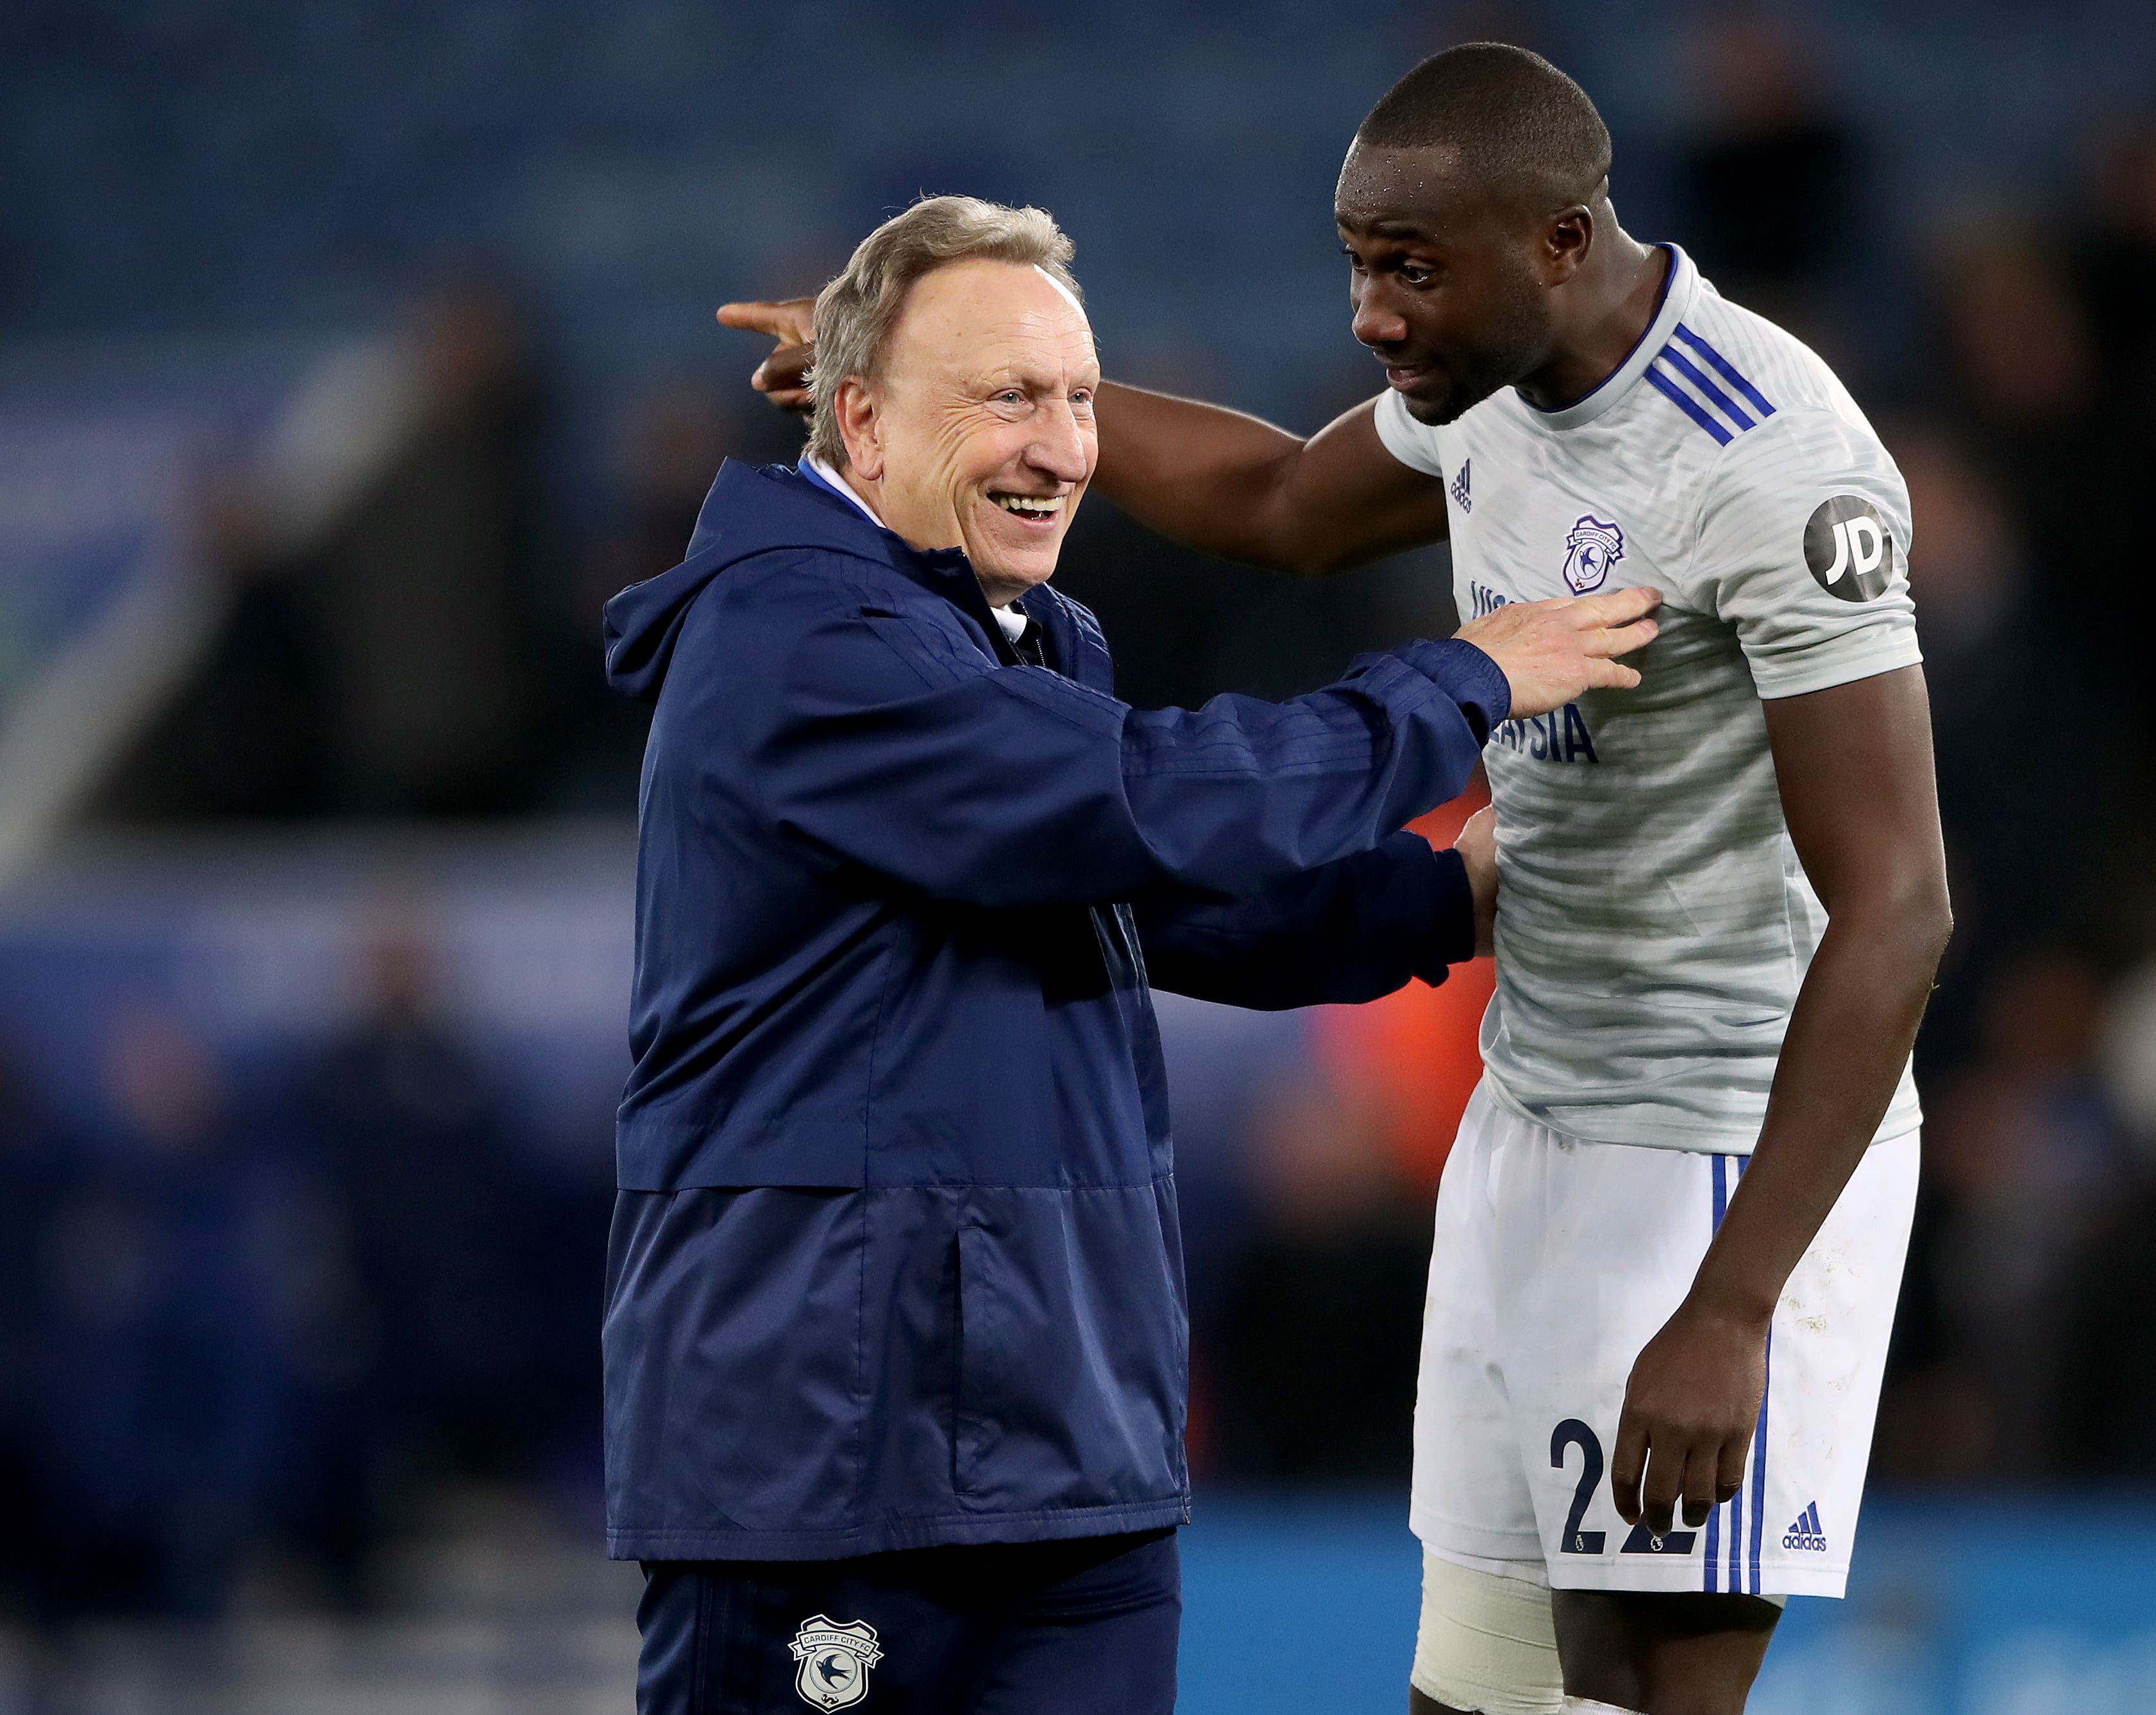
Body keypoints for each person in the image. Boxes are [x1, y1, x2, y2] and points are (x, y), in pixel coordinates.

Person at [725, 44, 1948, 1715]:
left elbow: (1897, 908)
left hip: (1713, 1152)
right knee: (1469, 1698)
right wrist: (952, 393)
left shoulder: (1770, 458)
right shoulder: (1492, 391)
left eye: (1411, 269)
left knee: (1635, 1692)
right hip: (1531, 1117)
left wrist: (1736, 1303)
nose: (1373, 312)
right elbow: (1282, 500)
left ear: (1560, 244)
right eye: (1362, 263)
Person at [611, 193, 1660, 1715]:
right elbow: (1145, 797)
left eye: (1078, 399)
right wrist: (1459, 681)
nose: (1060, 447)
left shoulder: (1024, 636)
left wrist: (1439, 898)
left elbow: (1163, 899)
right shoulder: (792, 637)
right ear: (858, 422)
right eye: (1002, 398)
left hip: (1066, 1455)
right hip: (826, 1465)